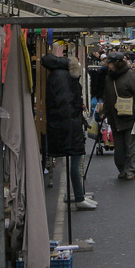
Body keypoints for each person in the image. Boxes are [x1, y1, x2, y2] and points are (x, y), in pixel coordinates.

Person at [43, 52, 97, 211]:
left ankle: (80, 195)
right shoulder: (64, 76)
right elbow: (65, 103)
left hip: (65, 124)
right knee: (75, 157)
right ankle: (79, 197)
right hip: (68, 126)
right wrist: (75, 118)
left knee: (75, 157)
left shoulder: (58, 74)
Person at [102, 51, 135, 180]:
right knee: (119, 148)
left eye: (110, 63)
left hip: (129, 116)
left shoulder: (129, 75)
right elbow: (106, 95)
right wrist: (104, 111)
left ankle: (130, 170)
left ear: (117, 63)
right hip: (115, 117)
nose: (108, 65)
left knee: (130, 145)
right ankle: (121, 169)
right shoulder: (109, 77)